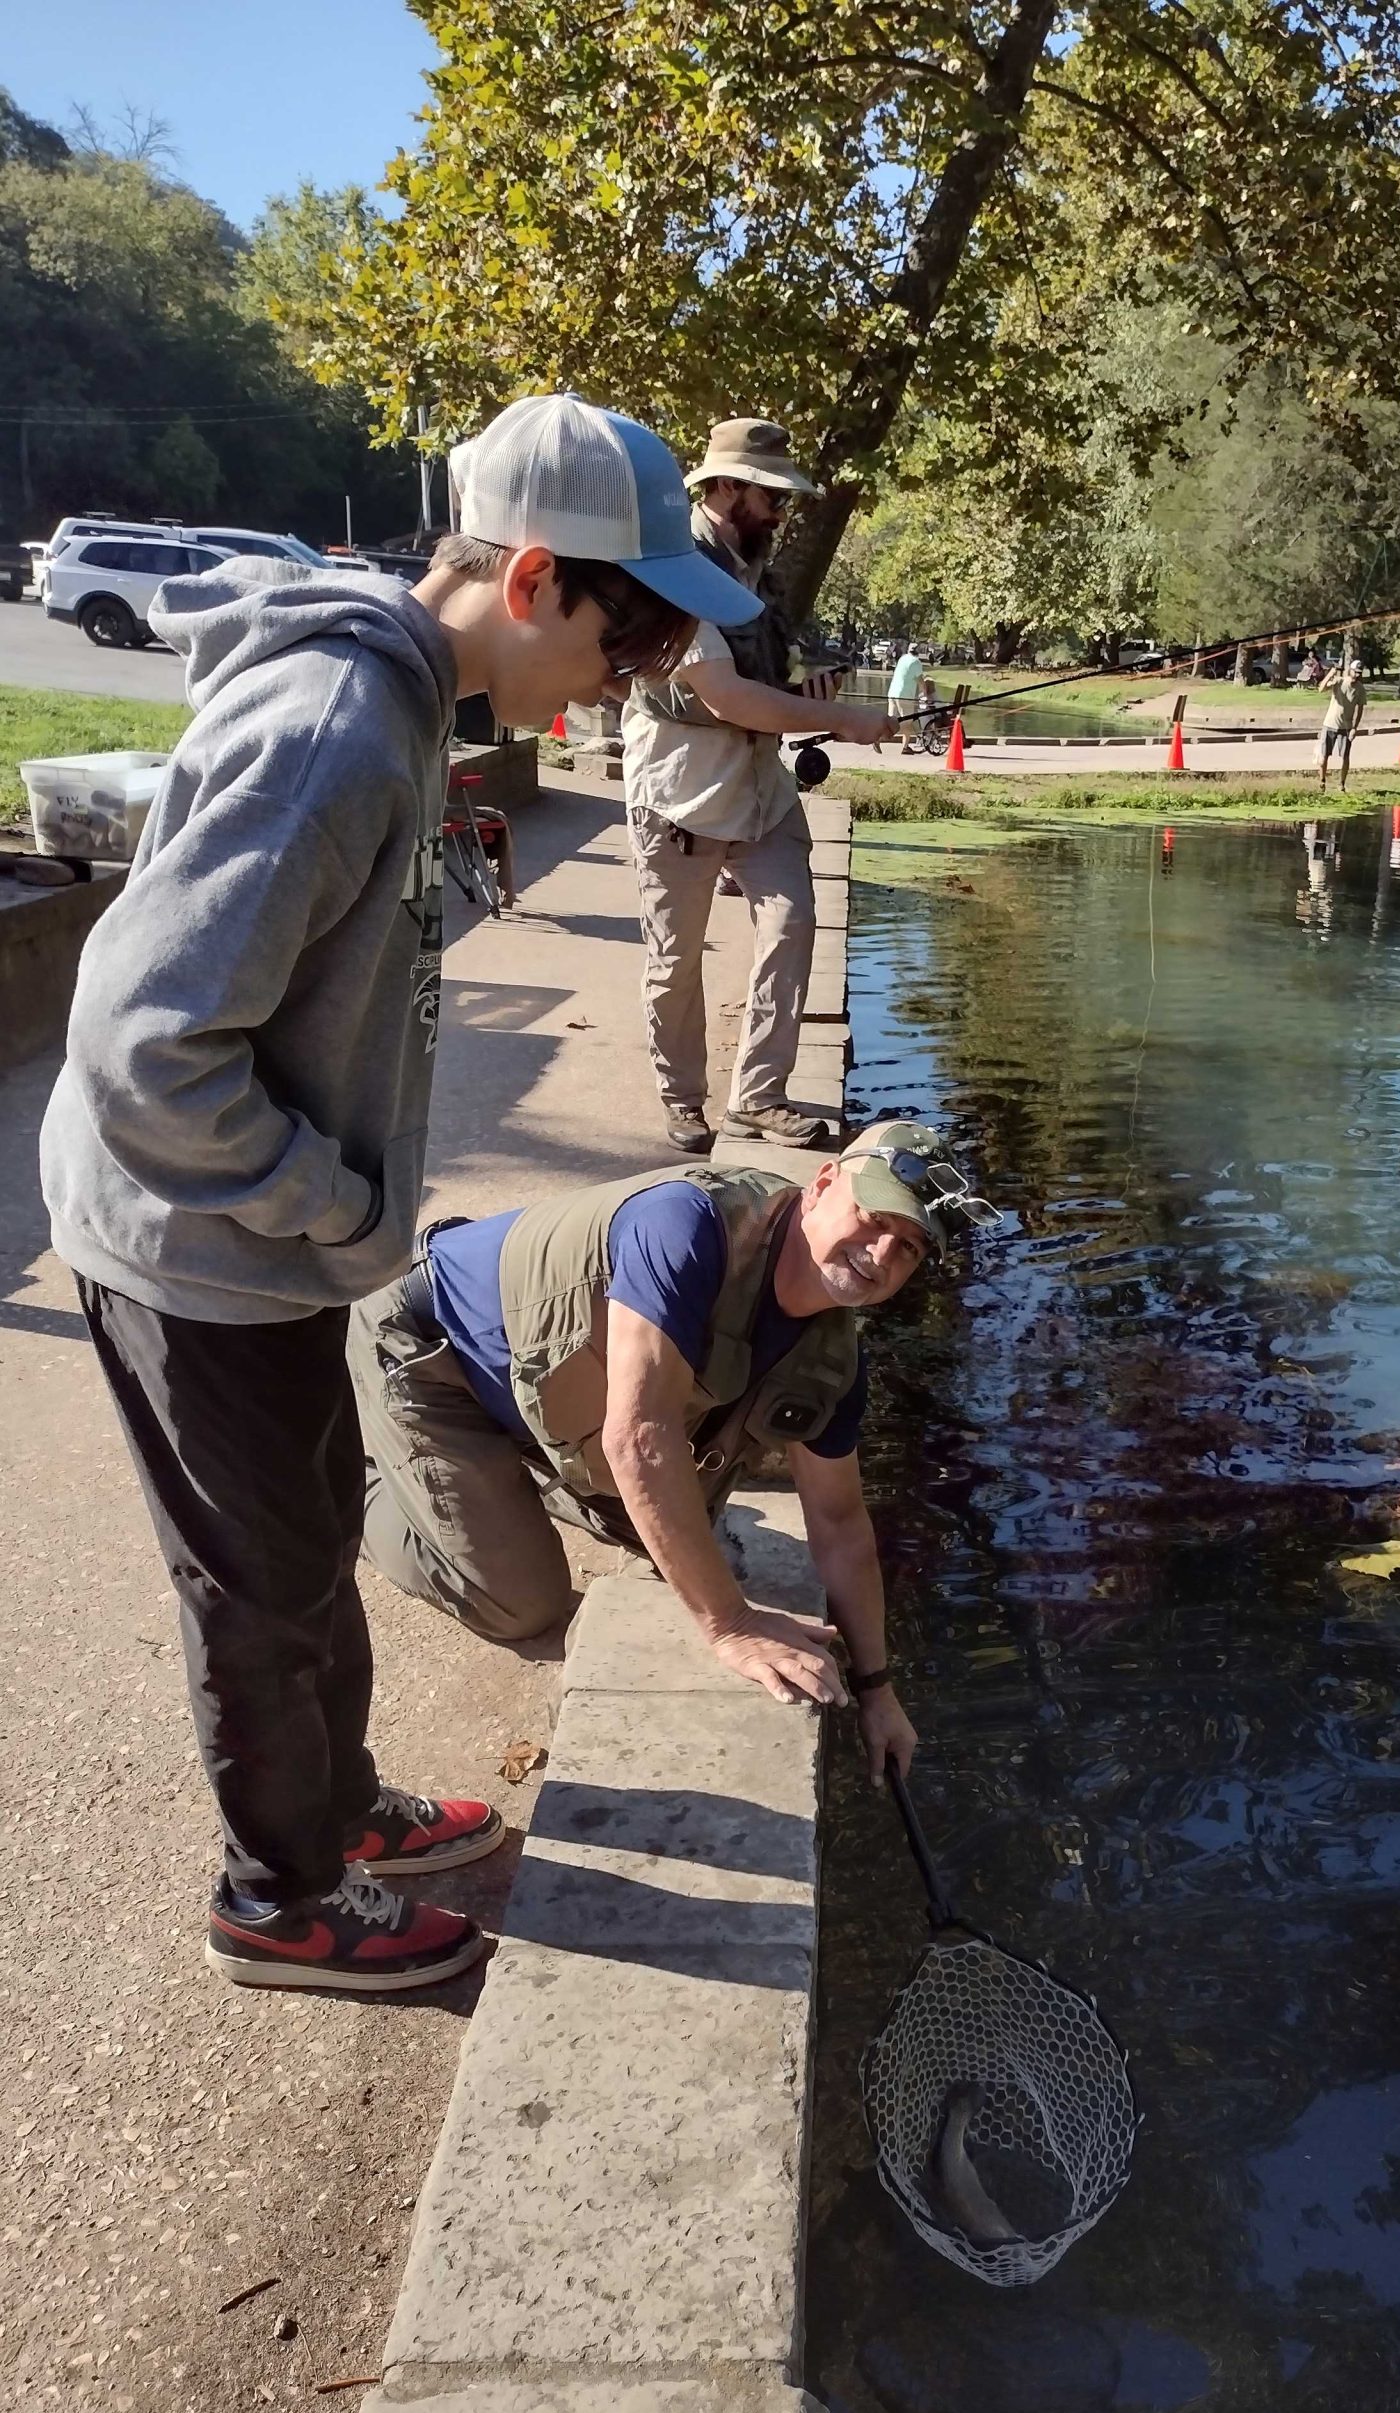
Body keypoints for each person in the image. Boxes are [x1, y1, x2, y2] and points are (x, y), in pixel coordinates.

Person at [41, 392, 759, 1996]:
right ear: (532, 580)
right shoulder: (336, 733)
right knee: (258, 1587)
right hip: (192, 1244)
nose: (630, 679)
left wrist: (333, 1220)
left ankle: (341, 1808)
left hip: (275, 1242)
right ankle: (278, 1900)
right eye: (628, 638)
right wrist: (338, 1208)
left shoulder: (407, 708)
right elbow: (145, 1046)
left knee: (313, 1541)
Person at [348, 1122, 998, 1782]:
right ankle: (348, 1482)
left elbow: (838, 1522)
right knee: (523, 1604)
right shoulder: (688, 1224)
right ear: (823, 1184)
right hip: (429, 1348)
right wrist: (731, 1624)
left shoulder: (834, 1358)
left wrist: (878, 1691)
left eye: (909, 1246)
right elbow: (637, 1438)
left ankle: (494, 1481)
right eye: (874, 1217)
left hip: (531, 1386)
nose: (882, 1252)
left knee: (665, 1528)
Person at [622, 418, 894, 1157]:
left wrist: (807, 694)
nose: (780, 512)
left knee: (792, 922)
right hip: (678, 797)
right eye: (771, 497)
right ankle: (683, 1099)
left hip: (760, 793)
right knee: (675, 961)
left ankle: (758, 1097)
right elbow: (728, 699)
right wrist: (840, 717)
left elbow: (762, 688)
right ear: (727, 488)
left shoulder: (758, 573)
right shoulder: (676, 571)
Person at [1318, 647, 1368, 790]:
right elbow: (1321, 689)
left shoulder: (1360, 689)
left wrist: (1354, 728)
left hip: (1346, 727)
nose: (1356, 675)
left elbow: (1360, 709)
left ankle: (1341, 784)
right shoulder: (1339, 681)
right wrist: (1330, 674)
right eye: (1355, 672)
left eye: (1359, 673)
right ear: (1350, 670)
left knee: (1345, 756)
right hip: (1330, 724)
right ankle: (1322, 781)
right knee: (1324, 755)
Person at [885, 641, 926, 734]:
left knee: (890, 721)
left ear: (908, 650)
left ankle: (882, 737)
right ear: (918, 651)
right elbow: (920, 681)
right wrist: (924, 694)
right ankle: (905, 743)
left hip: (892, 692)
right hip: (904, 695)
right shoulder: (916, 662)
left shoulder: (902, 658)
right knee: (907, 723)